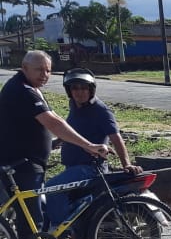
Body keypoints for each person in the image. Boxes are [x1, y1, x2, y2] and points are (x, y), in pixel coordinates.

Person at [0, 51, 109, 239]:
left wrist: (60, 140)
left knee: (37, 212)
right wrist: (88, 145)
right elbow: (53, 122)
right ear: (24, 67)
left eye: (48, 70)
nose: (45, 74)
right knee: (31, 219)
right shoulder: (23, 90)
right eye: (39, 69)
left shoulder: (29, 87)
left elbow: (53, 119)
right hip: (22, 165)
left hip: (28, 163)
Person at [44, 68, 141, 227]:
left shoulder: (101, 110)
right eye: (75, 88)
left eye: (84, 88)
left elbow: (115, 137)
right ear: (69, 91)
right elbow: (73, 129)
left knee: (52, 189)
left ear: (91, 89)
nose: (79, 92)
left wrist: (127, 164)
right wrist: (55, 142)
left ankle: (60, 231)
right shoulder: (75, 106)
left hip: (89, 168)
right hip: (73, 167)